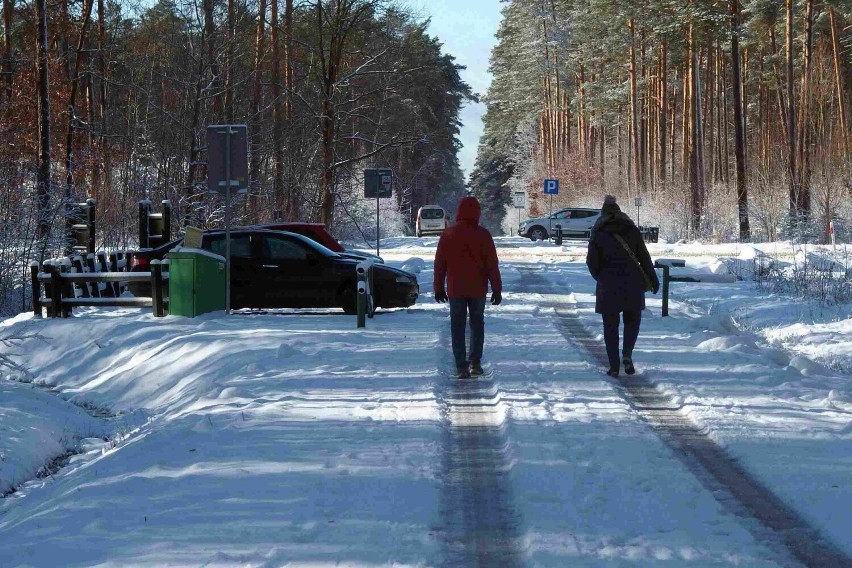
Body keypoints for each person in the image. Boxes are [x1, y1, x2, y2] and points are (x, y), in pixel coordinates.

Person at [585, 195, 659, 377]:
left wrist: (600, 277)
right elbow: (644, 258)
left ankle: (613, 365)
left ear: (603, 213)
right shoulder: (632, 230)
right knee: (632, 322)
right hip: (633, 283)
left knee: (610, 326)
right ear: (619, 212)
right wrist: (653, 279)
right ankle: (627, 354)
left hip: (608, 285)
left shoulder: (598, 232)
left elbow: (591, 261)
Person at [434, 196, 502, 378]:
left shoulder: (448, 234)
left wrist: (438, 287)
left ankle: (460, 366)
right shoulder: (484, 235)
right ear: (477, 213)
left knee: (457, 325)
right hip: (478, 289)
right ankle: (475, 362)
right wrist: (496, 288)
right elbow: (492, 265)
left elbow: (440, 264)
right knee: (477, 324)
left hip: (456, 289)